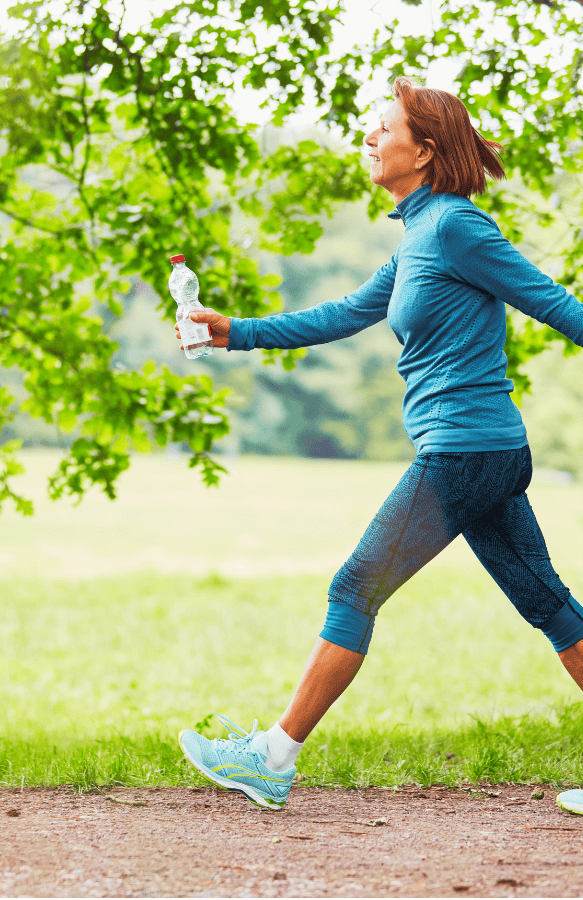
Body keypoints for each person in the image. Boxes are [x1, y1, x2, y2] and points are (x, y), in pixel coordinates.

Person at [176, 76, 583, 811]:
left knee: (354, 587)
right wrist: (232, 332)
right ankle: (272, 757)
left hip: (465, 452)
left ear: (425, 151)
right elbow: (340, 315)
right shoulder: (417, 237)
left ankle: (273, 757)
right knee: (547, 603)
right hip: (480, 453)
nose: (371, 136)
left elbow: (552, 302)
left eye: (385, 128)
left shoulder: (458, 227)